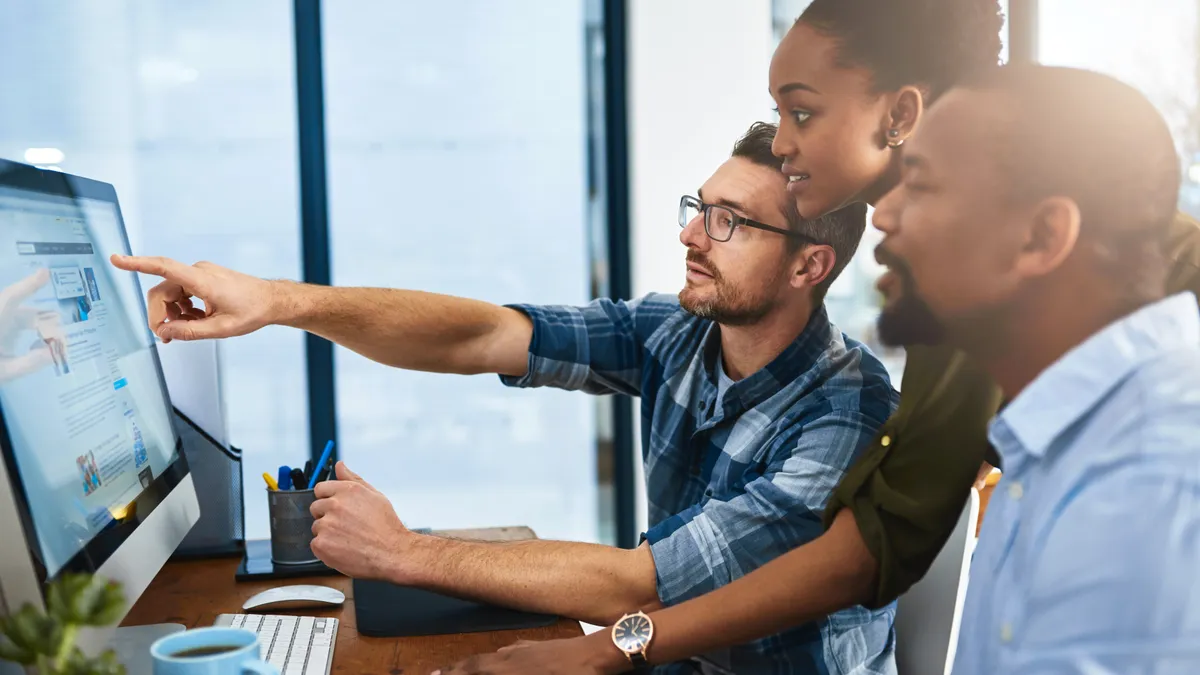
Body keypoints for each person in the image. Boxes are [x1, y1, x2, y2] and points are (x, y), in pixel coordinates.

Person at [430, 1, 1200, 672]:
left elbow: (866, 549)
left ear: (899, 115)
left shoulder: (1132, 456)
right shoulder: (1030, 400)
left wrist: (613, 643)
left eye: (803, 111)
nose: (786, 142)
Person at [112, 123, 901, 674]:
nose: (692, 236)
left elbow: (643, 582)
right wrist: (278, 302)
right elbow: (481, 335)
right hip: (655, 658)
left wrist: (405, 552)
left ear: (809, 267)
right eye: (699, 208)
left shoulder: (846, 411)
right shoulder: (680, 330)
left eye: (730, 222)